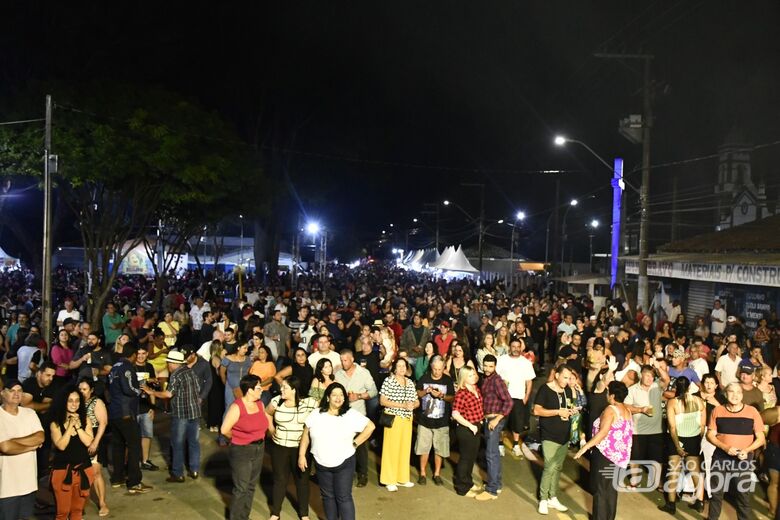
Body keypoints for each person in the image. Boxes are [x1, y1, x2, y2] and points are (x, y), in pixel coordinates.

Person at [299, 383, 375, 520]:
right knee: (328, 497)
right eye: (334, 395)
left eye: (341, 395)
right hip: (322, 464)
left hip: (344, 463)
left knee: (343, 497)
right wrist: (301, 455)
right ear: (328, 398)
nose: (338, 398)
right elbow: (306, 435)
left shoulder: (350, 415)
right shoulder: (316, 414)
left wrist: (355, 443)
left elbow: (370, 426)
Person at [706, 382, 766, 520]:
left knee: (742, 495)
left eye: (738, 392)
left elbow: (761, 438)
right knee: (716, 493)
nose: (735, 395)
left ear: (742, 395)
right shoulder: (718, 410)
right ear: (726, 394)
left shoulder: (752, 412)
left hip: (743, 458)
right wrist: (725, 447)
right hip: (720, 457)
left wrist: (747, 450)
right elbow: (710, 435)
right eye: (731, 392)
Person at [575, 381, 633, 520]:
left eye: (608, 392)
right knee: (611, 491)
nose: (607, 395)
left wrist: (585, 447)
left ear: (612, 395)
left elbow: (602, 433)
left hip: (605, 456)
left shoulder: (610, 410)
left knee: (600, 491)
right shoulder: (627, 410)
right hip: (619, 458)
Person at [142, 349, 202, 482]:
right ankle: (194, 470)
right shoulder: (191, 372)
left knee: (178, 443)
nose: (168, 365)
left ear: (174, 363)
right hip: (195, 412)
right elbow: (198, 389)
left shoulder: (176, 375)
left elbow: (168, 394)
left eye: (169, 362)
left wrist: (151, 392)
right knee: (193, 442)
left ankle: (178, 473)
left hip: (181, 414)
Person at [220, 374, 271, 520]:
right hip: (242, 450)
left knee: (250, 487)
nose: (261, 389)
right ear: (249, 390)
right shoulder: (237, 406)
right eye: (258, 387)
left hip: (259, 448)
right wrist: (238, 438)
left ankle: (244, 516)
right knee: (241, 488)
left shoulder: (260, 404)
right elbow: (224, 430)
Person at [266, 376, 316, 520]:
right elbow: (267, 413)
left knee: (302, 481)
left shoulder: (309, 403)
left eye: (285, 388)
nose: (281, 390)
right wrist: (270, 428)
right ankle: (275, 513)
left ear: (294, 390)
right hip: (280, 447)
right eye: (281, 387)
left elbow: (321, 414)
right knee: (280, 479)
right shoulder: (276, 401)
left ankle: (304, 514)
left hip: (301, 449)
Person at [107, 344, 151, 494]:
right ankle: (134, 482)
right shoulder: (127, 367)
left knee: (118, 445)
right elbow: (129, 389)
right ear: (132, 355)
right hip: (125, 412)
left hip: (114, 412)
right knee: (134, 446)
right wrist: (141, 390)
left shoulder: (114, 367)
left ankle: (117, 478)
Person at [659, 376, 706, 514]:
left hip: (677, 440)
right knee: (695, 471)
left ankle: (671, 505)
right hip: (693, 439)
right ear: (689, 387)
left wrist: (678, 447)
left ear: (675, 388)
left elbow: (672, 428)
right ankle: (699, 502)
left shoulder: (672, 402)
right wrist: (698, 440)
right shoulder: (699, 401)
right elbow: (702, 425)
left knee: (674, 471)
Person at [0, 380, 45, 520]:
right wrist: (31, 446)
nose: (16, 394)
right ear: (2, 393)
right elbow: (5, 447)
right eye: (12, 390)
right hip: (6, 487)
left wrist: (13, 441)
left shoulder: (30, 413)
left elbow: (40, 437)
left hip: (29, 483)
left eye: (19, 391)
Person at [533, 364, 575, 513]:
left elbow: (567, 407)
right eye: (565, 377)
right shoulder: (545, 389)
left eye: (569, 378)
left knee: (558, 468)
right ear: (556, 375)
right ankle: (543, 499)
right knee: (549, 467)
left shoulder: (568, 390)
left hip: (564, 436)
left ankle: (553, 497)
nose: (567, 380)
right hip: (549, 435)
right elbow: (537, 410)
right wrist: (557, 412)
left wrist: (571, 411)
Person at [49, 384, 95, 520]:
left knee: (77, 510)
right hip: (63, 472)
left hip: (84, 470)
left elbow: (88, 442)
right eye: (70, 400)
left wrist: (78, 427)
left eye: (77, 400)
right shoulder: (55, 423)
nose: (74, 404)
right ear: (64, 402)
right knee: (62, 512)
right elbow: (61, 445)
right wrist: (69, 427)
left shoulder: (85, 420)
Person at [335, 349, 378, 487]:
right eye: (341, 360)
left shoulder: (363, 373)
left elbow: (373, 391)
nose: (343, 362)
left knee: (360, 447)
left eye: (345, 360)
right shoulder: (338, 374)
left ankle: (363, 474)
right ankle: (349, 473)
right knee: (345, 446)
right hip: (343, 415)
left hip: (359, 414)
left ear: (352, 359)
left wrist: (358, 396)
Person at [379, 357, 419, 491]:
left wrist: (413, 405)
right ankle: (389, 480)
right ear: (395, 368)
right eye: (399, 366)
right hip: (394, 418)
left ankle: (402, 478)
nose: (401, 369)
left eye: (404, 366)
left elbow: (416, 401)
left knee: (404, 448)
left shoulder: (409, 382)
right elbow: (382, 401)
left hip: (407, 419)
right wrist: (402, 405)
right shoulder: (388, 381)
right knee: (391, 449)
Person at [477, 354, 513, 500]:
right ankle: (496, 485)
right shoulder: (486, 379)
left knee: (490, 455)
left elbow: (509, 402)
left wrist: (497, 419)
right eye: (485, 365)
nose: (487, 368)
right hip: (488, 418)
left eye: (490, 366)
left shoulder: (497, 381)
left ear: (495, 367)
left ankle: (491, 490)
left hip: (494, 419)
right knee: (494, 454)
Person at [415, 355, 455, 486]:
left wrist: (442, 395)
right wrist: (426, 391)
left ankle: (437, 474)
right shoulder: (424, 378)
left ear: (444, 368)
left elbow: (452, 398)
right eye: (435, 369)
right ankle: (422, 473)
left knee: (440, 449)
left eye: (440, 369)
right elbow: (417, 394)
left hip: (441, 421)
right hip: (424, 420)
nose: (437, 372)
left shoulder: (448, 380)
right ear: (431, 367)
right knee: (423, 448)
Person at [496, 338, 536, 458]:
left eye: (518, 347)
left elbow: (529, 382)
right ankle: (500, 444)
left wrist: (526, 397)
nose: (516, 349)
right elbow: (495, 378)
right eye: (513, 346)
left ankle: (516, 445)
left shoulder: (526, 362)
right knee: (502, 423)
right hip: (503, 398)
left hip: (518, 397)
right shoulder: (501, 360)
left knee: (517, 424)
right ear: (509, 347)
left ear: (521, 348)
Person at [77, 378, 110, 517]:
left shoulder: (97, 402)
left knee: (96, 472)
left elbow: (103, 423)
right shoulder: (76, 403)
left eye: (85, 389)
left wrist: (95, 442)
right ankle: (80, 504)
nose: (82, 392)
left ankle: (102, 502)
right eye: (80, 389)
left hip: (95, 437)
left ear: (91, 390)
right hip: (80, 437)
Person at [451, 365, 484, 497]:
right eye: (470, 375)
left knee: (471, 458)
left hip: (476, 426)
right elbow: (455, 413)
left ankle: (468, 482)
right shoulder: (462, 393)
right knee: (465, 458)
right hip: (466, 429)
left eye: (474, 374)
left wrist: (479, 421)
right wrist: (470, 425)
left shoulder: (476, 389)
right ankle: (462, 487)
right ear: (464, 378)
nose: (474, 377)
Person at [133, 344, 160, 470]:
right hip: (133, 406)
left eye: (143, 353)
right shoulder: (131, 367)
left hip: (146, 405)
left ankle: (145, 460)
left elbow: (152, 390)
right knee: (133, 436)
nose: (141, 356)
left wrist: (152, 407)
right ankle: (131, 462)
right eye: (138, 354)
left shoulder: (149, 366)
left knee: (147, 434)